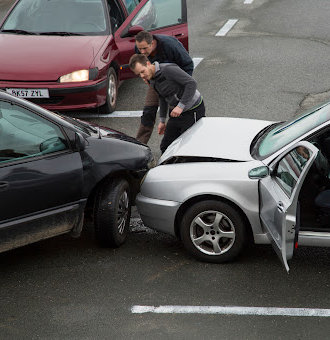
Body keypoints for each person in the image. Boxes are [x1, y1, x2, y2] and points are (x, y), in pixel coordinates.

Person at [129, 54, 205, 153]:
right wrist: (162, 121)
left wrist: (180, 106)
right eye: (139, 74)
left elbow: (192, 83)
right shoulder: (152, 79)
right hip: (176, 112)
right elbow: (162, 97)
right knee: (166, 146)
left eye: (142, 71)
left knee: (188, 146)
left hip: (193, 109)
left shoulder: (168, 69)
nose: (142, 76)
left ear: (148, 63)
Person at [134, 30, 194, 144]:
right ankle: (140, 145)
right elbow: (140, 64)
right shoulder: (139, 48)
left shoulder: (170, 45)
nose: (141, 52)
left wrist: (181, 86)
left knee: (176, 114)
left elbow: (188, 64)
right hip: (155, 81)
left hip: (175, 82)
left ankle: (182, 145)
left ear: (152, 43)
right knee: (148, 112)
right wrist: (146, 78)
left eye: (144, 49)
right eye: (139, 49)